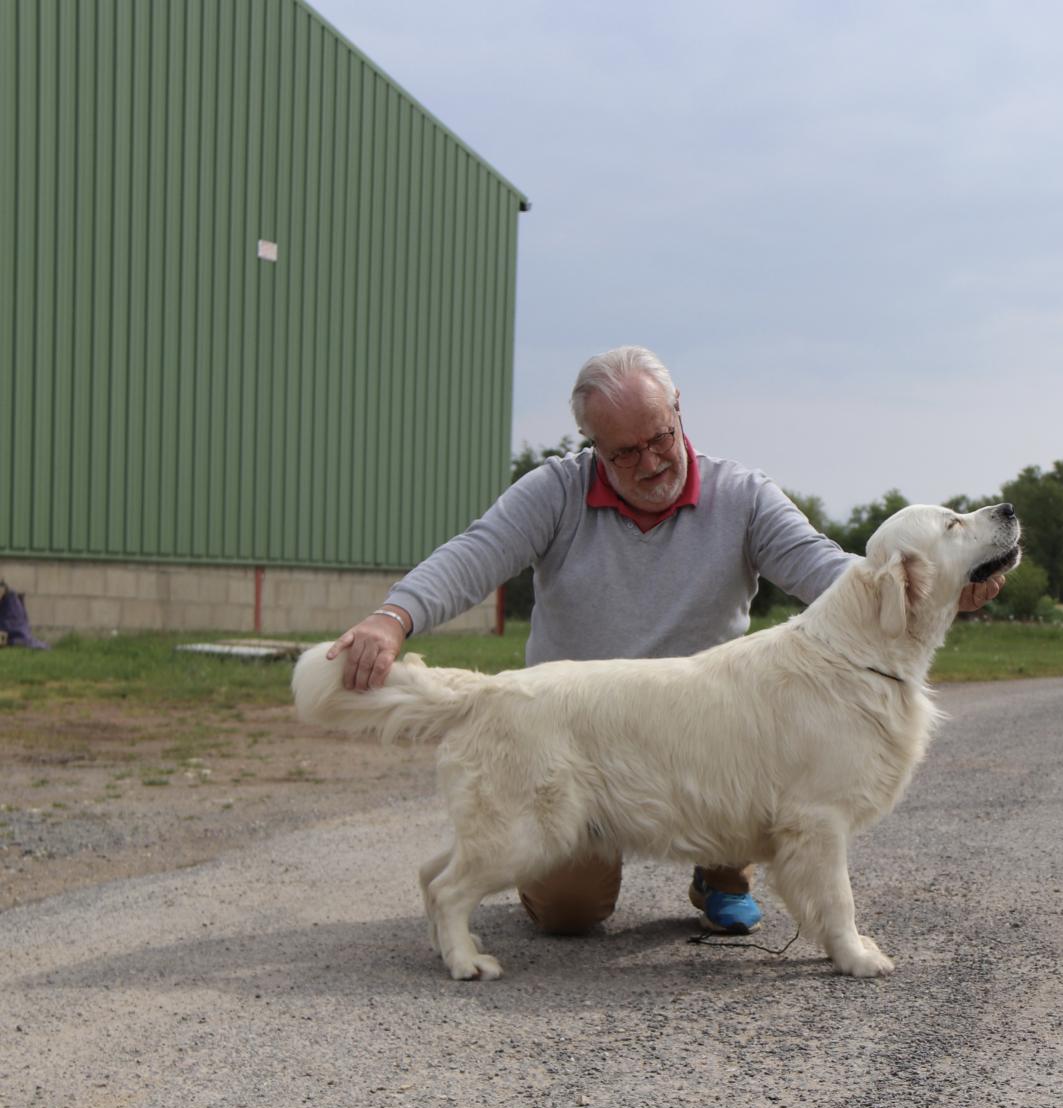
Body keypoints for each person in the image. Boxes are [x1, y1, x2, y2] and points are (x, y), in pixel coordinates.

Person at [327, 345, 1003, 935]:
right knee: (569, 911)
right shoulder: (555, 493)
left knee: (751, 775)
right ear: (592, 444)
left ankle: (722, 875)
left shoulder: (742, 495)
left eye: (660, 435)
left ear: (678, 408)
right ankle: (516, 875)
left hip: (715, 735)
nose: (651, 461)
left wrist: (932, 589)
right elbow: (475, 555)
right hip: (582, 735)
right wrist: (393, 618)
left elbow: (827, 572)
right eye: (625, 451)